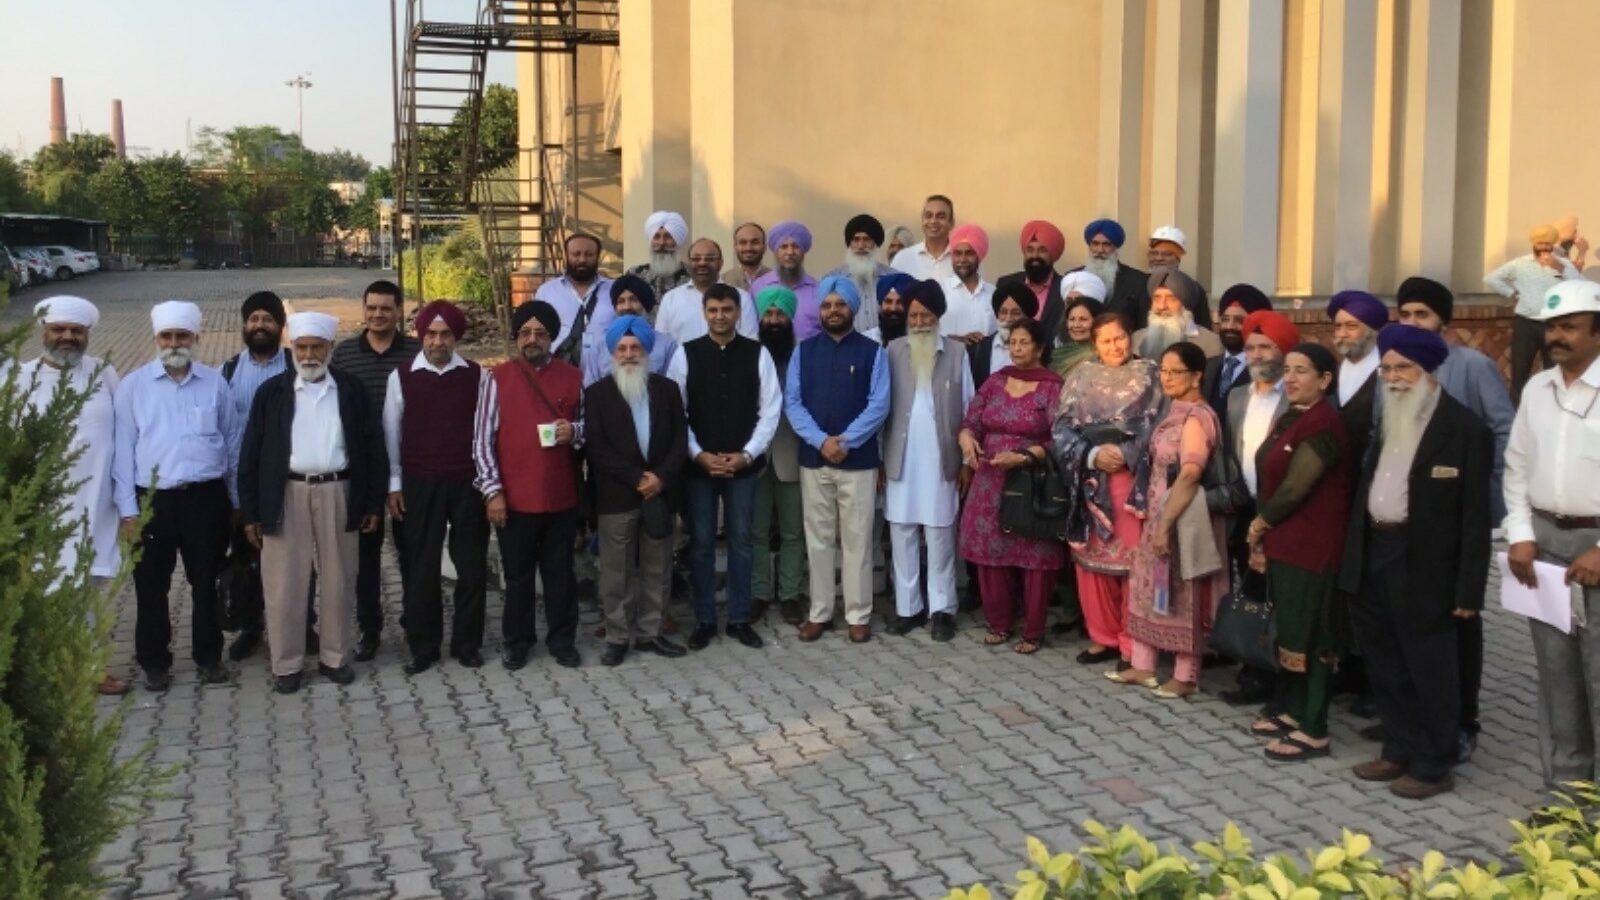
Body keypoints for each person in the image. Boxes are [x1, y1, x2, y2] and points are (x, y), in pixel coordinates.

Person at [1341, 324, 1491, 799]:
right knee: (1385, 660)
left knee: (1429, 665)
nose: (1393, 378)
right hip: (1375, 550)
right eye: (1386, 369)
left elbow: (1475, 519)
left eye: (1403, 368)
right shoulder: (1388, 418)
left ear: (1428, 370)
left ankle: (1434, 762)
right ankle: (1398, 747)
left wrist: (1469, 589)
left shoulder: (1464, 430)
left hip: (1425, 562)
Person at [1394, 275, 1515, 759]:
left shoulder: (1472, 366)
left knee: (1460, 622)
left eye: (1422, 314)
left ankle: (1464, 721)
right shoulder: (1396, 368)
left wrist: (1487, 495)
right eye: (1405, 314)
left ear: (1443, 320)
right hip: (1407, 521)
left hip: (1458, 518)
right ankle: (1416, 717)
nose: (1413, 322)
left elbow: (1503, 430)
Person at [238, 312, 383, 694]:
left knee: (339, 578)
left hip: (339, 490)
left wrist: (372, 503)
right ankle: (286, 664)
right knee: (284, 583)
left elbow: (372, 446)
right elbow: (250, 454)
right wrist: (251, 512)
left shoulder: (350, 390)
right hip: (286, 493)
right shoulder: (271, 393)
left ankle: (335, 657)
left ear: (330, 348)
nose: (308, 355)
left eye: (316, 347)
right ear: (292, 348)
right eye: (301, 347)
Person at [1503, 279, 1600, 790]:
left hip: (1595, 547)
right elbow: (1516, 467)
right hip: (1543, 548)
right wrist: (1521, 533)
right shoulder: (1537, 389)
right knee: (1557, 676)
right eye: (1551, 326)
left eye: (1569, 327)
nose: (1556, 336)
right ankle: (1567, 796)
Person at [113, 300, 237, 691]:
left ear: (196, 337)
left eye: (182, 335)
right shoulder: (133, 387)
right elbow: (122, 452)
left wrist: (235, 502)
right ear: (156, 339)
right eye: (166, 336)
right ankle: (154, 663)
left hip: (206, 499)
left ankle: (209, 657)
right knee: (151, 586)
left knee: (206, 581)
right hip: (153, 502)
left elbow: (232, 443)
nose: (174, 343)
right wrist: (128, 511)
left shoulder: (215, 383)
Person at [1246, 342, 1352, 762]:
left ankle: (1314, 727)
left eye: (1301, 371)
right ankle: (1293, 710)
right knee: (1291, 631)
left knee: (1314, 635)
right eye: (1287, 369)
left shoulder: (1324, 423)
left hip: (1314, 547)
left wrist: (1259, 524)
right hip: (1286, 543)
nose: (1289, 378)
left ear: (1325, 380)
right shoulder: (1293, 416)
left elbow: (1296, 486)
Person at [21, 296, 126, 694]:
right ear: (44, 332)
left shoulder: (104, 373)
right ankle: (51, 673)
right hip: (44, 507)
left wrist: (126, 505)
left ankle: (90, 668)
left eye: (76, 331)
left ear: (86, 335)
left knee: (89, 591)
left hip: (97, 503)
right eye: (59, 329)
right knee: (48, 589)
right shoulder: (19, 377)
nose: (67, 337)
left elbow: (123, 436)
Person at [668, 283, 782, 651]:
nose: (720, 316)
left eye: (727, 310)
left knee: (742, 542)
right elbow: (676, 411)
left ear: (738, 312)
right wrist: (697, 454)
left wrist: (748, 453)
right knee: (701, 543)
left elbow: (771, 410)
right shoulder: (685, 354)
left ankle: (738, 619)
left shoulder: (758, 353)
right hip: (698, 468)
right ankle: (704, 620)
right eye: (713, 310)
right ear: (704, 313)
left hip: (743, 467)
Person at [473, 300, 584, 671]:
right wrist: (492, 492)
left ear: (551, 338)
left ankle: (562, 641)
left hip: (560, 496)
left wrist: (575, 431)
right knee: (518, 577)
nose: (531, 339)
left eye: (539, 333)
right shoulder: (496, 378)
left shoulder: (573, 377)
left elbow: (588, 428)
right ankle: (517, 642)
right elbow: (482, 440)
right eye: (525, 333)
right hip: (515, 498)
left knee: (560, 575)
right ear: (517, 337)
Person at [1114, 341, 1228, 698]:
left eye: (1176, 371)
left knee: (1184, 592)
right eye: (1163, 370)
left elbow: (1191, 473)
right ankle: (1143, 665)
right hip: (1158, 514)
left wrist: (1165, 524)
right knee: (1151, 586)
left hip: (1183, 518)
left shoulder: (1198, 417)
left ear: (1197, 376)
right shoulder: (1173, 410)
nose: (1167, 377)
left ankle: (1186, 674)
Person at [383, 300, 490, 675]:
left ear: (456, 337)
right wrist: (394, 484)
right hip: (419, 483)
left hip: (468, 483)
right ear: (421, 336)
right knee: (421, 568)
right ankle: (423, 647)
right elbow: (392, 433)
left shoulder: (478, 376)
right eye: (431, 334)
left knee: (472, 568)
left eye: (445, 334)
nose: (438, 341)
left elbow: (486, 431)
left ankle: (467, 644)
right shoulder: (402, 377)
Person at [784, 276, 890, 643]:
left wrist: (845, 441)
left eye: (840, 304)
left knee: (858, 540)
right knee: (819, 540)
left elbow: (879, 404)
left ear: (852, 308)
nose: (833, 311)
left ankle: (858, 614)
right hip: (815, 460)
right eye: (827, 305)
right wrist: (820, 441)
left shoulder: (872, 352)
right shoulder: (804, 351)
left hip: (858, 461)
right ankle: (820, 612)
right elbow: (793, 402)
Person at [1053, 313, 1163, 665]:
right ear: (1094, 344)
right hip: (1091, 479)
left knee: (1134, 563)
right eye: (1106, 341)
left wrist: (1126, 453)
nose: (1114, 347)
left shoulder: (1151, 374)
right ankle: (1102, 636)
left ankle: (1133, 643)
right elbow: (1061, 428)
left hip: (1133, 482)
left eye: (1120, 338)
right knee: (1091, 561)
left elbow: (1161, 426)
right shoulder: (1080, 376)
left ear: (1130, 336)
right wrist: (1092, 454)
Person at [585, 315, 690, 666]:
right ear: (613, 353)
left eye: (635, 348)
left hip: (659, 494)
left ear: (646, 351)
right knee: (616, 571)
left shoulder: (667, 390)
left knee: (657, 568)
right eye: (622, 348)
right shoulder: (597, 394)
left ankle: (651, 632)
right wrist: (636, 478)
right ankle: (617, 636)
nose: (629, 354)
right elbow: (597, 448)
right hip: (617, 496)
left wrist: (660, 478)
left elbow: (679, 441)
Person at [960, 317, 1064, 654]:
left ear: (1039, 347)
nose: (1017, 349)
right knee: (991, 549)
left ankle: (1033, 630)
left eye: (1024, 342)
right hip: (990, 478)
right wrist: (966, 439)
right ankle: (999, 622)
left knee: (1034, 554)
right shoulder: (996, 381)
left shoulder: (1052, 387)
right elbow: (971, 420)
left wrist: (1023, 457)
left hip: (1032, 479)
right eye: (1012, 343)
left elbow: (1062, 438)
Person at [331, 279, 422, 660]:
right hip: (362, 469)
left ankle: (416, 622)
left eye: (386, 308)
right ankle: (370, 629)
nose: (378, 315)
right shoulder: (344, 354)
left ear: (399, 311)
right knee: (365, 558)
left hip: (409, 465)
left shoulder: (417, 352)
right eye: (372, 308)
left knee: (412, 551)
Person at [1211, 310, 1298, 708]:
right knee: (1251, 592)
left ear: (1285, 350)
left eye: (1266, 347)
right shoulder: (1237, 397)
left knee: (1281, 596)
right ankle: (1254, 671)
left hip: (1284, 512)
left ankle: (1284, 677)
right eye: (1250, 348)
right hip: (1245, 507)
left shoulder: (1295, 397)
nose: (1257, 355)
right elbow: (1232, 452)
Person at [883, 280, 974, 642]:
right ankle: (908, 609)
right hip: (900, 457)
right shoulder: (892, 351)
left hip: (941, 460)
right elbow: (881, 407)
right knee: (902, 532)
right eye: (914, 315)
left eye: (926, 315)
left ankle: (942, 610)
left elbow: (969, 409)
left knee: (939, 535)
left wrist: (966, 462)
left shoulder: (957, 353)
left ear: (938, 316)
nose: (919, 322)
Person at [220, 290, 293, 662]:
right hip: (245, 482)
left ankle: (301, 624)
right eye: (254, 319)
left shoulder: (296, 364)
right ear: (245, 325)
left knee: (295, 559)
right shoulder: (228, 371)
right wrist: (236, 497)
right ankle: (251, 626)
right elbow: (226, 436)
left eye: (268, 319)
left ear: (280, 325)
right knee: (248, 559)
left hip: (290, 482)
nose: (260, 325)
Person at [750, 286, 807, 625]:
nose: (773, 320)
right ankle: (758, 592)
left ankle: (790, 595)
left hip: (791, 454)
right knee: (755, 531)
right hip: (754, 458)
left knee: (792, 531)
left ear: (790, 318)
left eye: (779, 314)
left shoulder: (803, 356)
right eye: (768, 314)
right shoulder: (748, 355)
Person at [1486, 224, 1584, 401]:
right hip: (1526, 324)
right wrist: (1511, 293)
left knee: (1555, 372)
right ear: (1533, 244)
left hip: (1553, 325)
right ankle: (1517, 411)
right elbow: (1491, 278)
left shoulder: (1563, 264)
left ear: (1553, 245)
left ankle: (1553, 407)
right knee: (1520, 372)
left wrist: (1559, 268)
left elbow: (1581, 284)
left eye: (1548, 244)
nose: (1544, 248)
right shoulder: (1520, 264)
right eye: (1540, 244)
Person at [655, 239, 758, 345]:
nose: (702, 263)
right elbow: (661, 345)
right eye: (696, 259)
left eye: (709, 259)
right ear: (689, 263)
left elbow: (751, 342)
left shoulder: (741, 298)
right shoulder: (670, 299)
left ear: (720, 263)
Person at [581, 274, 679, 386]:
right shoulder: (599, 346)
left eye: (633, 300)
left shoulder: (667, 346)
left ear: (645, 305)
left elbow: (672, 388)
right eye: (621, 301)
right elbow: (590, 388)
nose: (627, 306)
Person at [1328, 290, 1388, 470]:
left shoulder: (1387, 372)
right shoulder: (1332, 371)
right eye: (1338, 327)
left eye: (1351, 326)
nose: (1342, 334)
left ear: (1372, 331)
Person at [533, 233, 615, 364]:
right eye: (576, 254)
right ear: (566, 256)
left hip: (605, 369)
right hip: (559, 369)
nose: (582, 259)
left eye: (589, 254)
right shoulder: (546, 292)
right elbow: (536, 333)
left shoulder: (614, 290)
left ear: (597, 257)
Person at [1205, 284, 1272, 425]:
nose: (1230, 326)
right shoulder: (1206, 366)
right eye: (1225, 319)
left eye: (1239, 321)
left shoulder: (1269, 372)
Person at [1070, 218, 1150, 331]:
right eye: (1095, 244)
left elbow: (1143, 326)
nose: (1100, 250)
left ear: (1116, 247)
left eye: (1106, 244)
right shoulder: (1073, 278)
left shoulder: (1138, 281)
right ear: (1089, 246)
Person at [997, 220, 1068, 341]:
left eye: (1042, 250)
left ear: (1053, 254)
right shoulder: (1006, 284)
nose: (1035, 255)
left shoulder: (1064, 288)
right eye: (1030, 250)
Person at [823, 213, 894, 334]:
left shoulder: (893, 277)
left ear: (875, 243)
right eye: (856, 240)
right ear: (849, 244)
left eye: (867, 239)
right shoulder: (833, 280)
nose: (861, 246)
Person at [1131, 269, 1223, 361]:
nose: (1162, 306)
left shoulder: (1210, 342)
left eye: (1171, 299)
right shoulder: (1137, 339)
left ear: (1185, 305)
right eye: (1157, 298)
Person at [751, 222, 822, 339]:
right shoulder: (759, 286)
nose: (790, 252)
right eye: (783, 247)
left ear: (803, 252)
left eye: (796, 246)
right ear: (775, 252)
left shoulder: (818, 290)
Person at [969, 282, 1036, 385]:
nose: (1008, 319)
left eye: (1016, 313)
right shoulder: (979, 349)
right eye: (1003, 312)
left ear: (1027, 317)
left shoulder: (1038, 348)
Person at [1145, 226, 1212, 328]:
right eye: (1154, 253)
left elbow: (1203, 326)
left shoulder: (1191, 288)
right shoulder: (1137, 284)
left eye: (1167, 254)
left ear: (1178, 259)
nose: (1159, 258)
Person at [942, 224, 998, 346]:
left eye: (969, 253)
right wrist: (957, 340)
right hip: (951, 356)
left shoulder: (993, 293)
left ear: (979, 256)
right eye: (958, 253)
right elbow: (929, 334)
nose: (963, 259)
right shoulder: (940, 291)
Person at [1050, 273, 1107, 377]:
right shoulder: (1059, 348)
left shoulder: (1104, 355)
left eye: (1083, 319)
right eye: (1072, 319)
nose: (1076, 325)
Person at [627, 210, 692, 300]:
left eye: (668, 237)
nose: (661, 243)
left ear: (677, 241)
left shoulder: (692, 276)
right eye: (656, 237)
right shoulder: (634, 275)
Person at [890, 195, 955, 281]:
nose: (933, 221)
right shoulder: (903, 259)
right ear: (922, 220)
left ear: (951, 223)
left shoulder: (962, 259)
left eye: (941, 216)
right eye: (928, 216)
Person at [864, 271, 915, 345]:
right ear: (880, 304)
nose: (893, 308)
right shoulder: (866, 340)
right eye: (888, 302)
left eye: (900, 302)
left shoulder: (919, 339)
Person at [722, 221, 770, 292]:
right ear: (735, 247)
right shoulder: (724, 281)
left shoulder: (777, 280)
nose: (748, 248)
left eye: (755, 242)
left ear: (764, 247)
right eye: (743, 242)